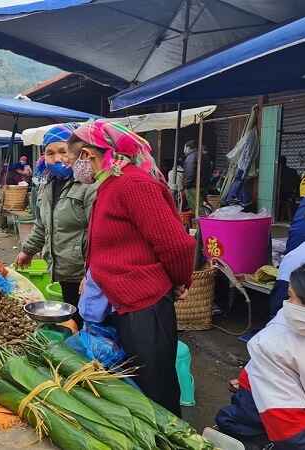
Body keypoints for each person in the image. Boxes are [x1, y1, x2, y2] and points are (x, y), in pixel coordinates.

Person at [68, 120, 195, 416]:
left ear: (88, 155)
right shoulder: (110, 185)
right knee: (132, 384)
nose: (72, 166)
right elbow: (107, 243)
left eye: (73, 159)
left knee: (154, 387)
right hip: (121, 303)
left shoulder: (133, 184)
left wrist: (179, 282)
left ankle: (169, 437)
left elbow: (177, 244)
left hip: (144, 304)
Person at [216, 263, 305, 449]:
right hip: (265, 411)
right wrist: (248, 379)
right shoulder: (282, 326)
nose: (287, 305)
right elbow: (292, 434)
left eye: (292, 298)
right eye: (288, 296)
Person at [16, 125, 96, 327]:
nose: (57, 158)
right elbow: (42, 225)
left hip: (86, 271)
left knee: (92, 319)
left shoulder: (88, 185)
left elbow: (99, 232)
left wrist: (92, 273)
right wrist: (27, 251)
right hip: (64, 268)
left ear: (77, 152)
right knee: (74, 314)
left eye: (63, 151)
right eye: (50, 153)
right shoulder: (47, 186)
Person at [183, 140, 212, 211]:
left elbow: (190, 172)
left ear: (188, 147)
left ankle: (201, 221)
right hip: (203, 186)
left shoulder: (191, 157)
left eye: (184, 148)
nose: (183, 150)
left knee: (196, 208)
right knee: (201, 205)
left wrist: (186, 185)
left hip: (193, 187)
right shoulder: (204, 156)